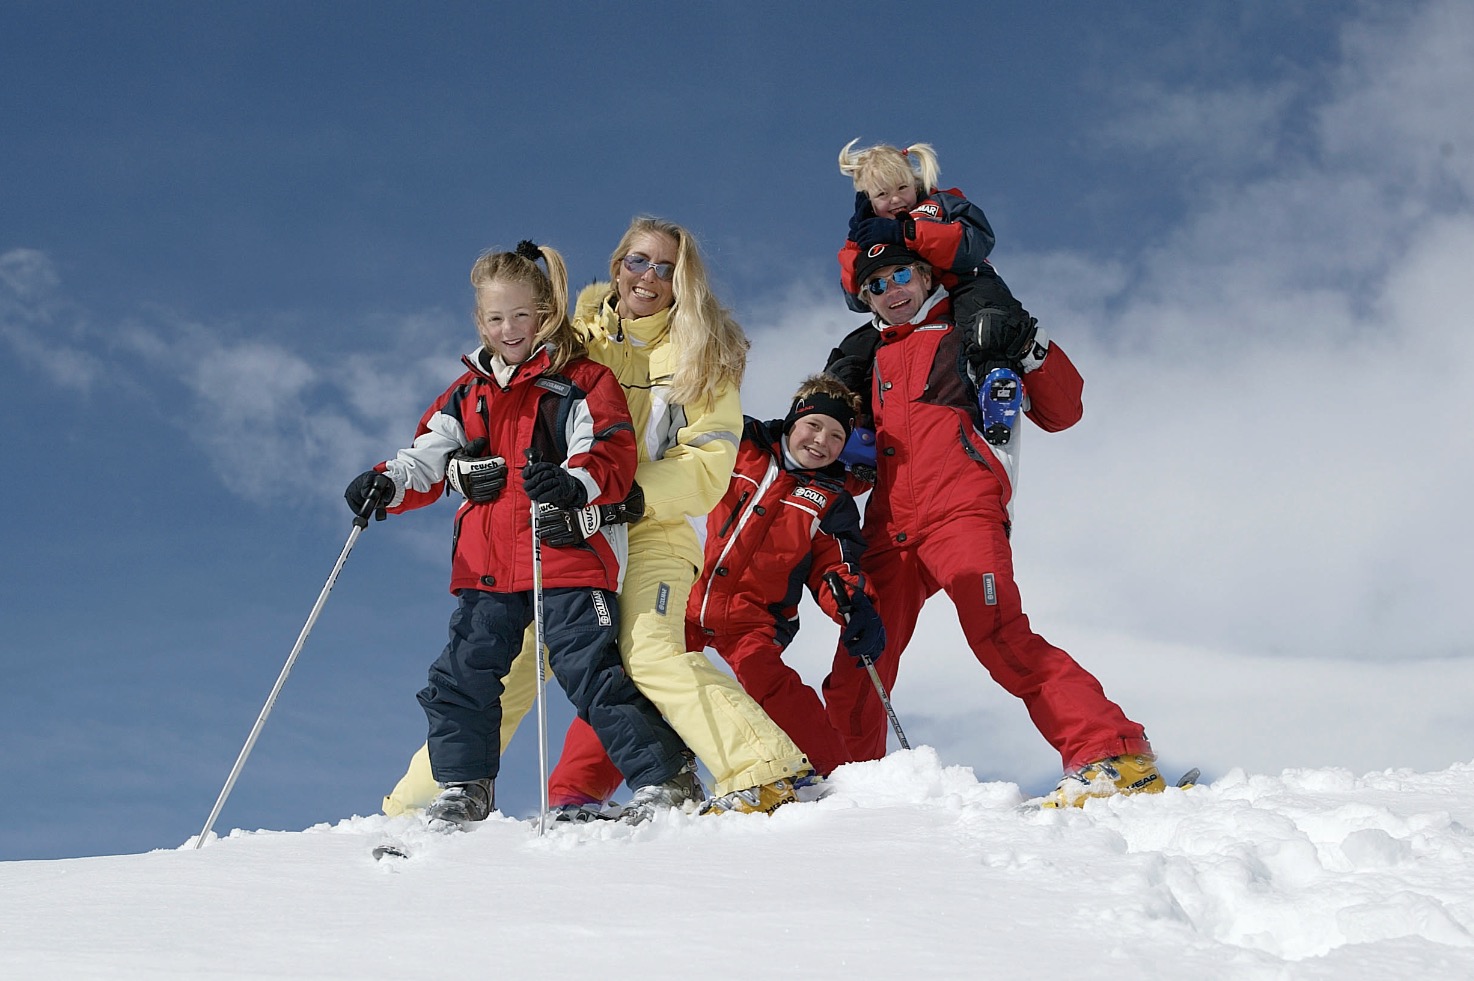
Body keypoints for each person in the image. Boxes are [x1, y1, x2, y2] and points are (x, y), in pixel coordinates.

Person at [382, 218, 814, 822]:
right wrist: (458, 470)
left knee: (647, 651)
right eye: (638, 261)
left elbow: (709, 463)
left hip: (649, 525)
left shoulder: (700, 355)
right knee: (507, 670)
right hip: (566, 533)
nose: (648, 278)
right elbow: (508, 405)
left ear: (682, 282)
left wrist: (625, 498)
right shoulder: (572, 334)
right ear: (616, 266)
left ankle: (767, 772)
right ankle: (416, 807)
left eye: (666, 269)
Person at [343, 241, 690, 827]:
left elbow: (610, 450)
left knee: (588, 669)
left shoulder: (581, 380)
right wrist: (387, 483)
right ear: (480, 321)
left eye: (522, 316)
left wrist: (572, 484)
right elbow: (426, 455)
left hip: (568, 552)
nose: (510, 329)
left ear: (546, 315)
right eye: (497, 318)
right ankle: (465, 786)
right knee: (463, 672)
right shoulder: (466, 393)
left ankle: (665, 778)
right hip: (488, 561)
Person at [821, 240, 1162, 808]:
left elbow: (1063, 411)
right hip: (889, 528)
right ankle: (848, 788)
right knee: (860, 657)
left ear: (927, 275)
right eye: (875, 287)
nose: (892, 292)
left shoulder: (972, 331)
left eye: (900, 275)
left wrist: (1027, 341)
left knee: (999, 633)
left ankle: (1111, 751)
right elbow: (853, 470)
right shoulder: (866, 363)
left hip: (962, 510)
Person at [528, 375, 886, 810]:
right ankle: (574, 793)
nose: (821, 441)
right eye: (814, 426)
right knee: (636, 679)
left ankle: (830, 779)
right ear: (794, 419)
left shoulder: (829, 498)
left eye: (836, 436)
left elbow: (837, 566)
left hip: (753, 616)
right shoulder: (741, 442)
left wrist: (853, 606)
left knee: (770, 683)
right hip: (685, 593)